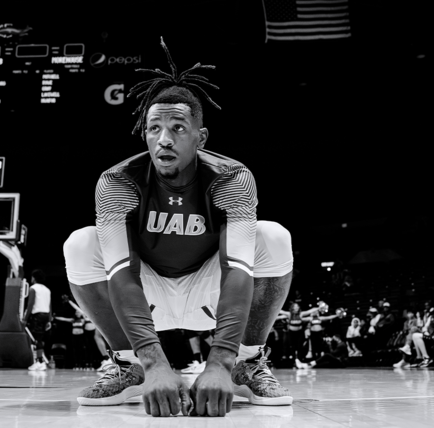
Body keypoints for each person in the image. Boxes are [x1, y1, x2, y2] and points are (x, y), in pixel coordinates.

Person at [63, 39, 295, 417]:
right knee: (80, 243)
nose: (164, 139)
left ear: (200, 137)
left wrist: (220, 362)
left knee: (273, 236)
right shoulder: (118, 182)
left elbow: (238, 270)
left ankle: (246, 362)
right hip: (145, 296)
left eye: (177, 127)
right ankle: (129, 365)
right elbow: (121, 274)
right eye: (154, 128)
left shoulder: (230, 178)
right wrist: (154, 363)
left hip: (211, 294)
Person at [24, 269, 52, 371]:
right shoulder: (47, 290)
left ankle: (39, 362)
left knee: (36, 339)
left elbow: (30, 305)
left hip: (37, 316)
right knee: (40, 339)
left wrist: (25, 319)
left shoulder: (33, 288)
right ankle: (40, 361)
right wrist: (49, 320)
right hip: (46, 315)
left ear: (34, 278)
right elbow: (50, 305)